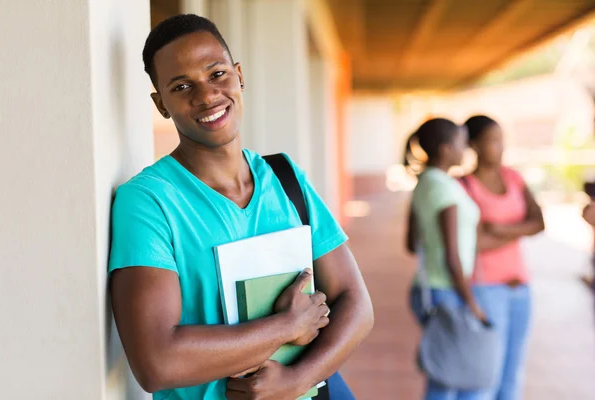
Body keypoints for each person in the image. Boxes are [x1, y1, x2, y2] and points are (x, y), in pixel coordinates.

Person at [108, 14, 374, 400]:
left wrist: (297, 380)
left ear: (239, 75)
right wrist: (285, 327)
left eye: (216, 74)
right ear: (161, 105)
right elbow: (156, 363)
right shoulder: (149, 201)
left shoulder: (284, 178)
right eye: (181, 86)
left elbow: (357, 303)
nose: (206, 95)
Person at [462, 115, 545, 400]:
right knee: (485, 377)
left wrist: (499, 229)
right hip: (485, 290)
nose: (500, 147)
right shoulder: (465, 187)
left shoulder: (513, 177)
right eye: (493, 141)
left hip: (520, 288)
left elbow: (540, 222)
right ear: (474, 144)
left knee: (512, 375)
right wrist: (520, 230)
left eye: (502, 140)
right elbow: (473, 244)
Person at [405, 118, 487, 400]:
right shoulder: (443, 187)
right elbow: (452, 257)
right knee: (448, 377)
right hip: (447, 291)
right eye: (461, 143)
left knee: (449, 371)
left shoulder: (425, 182)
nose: (466, 149)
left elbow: (411, 243)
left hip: (434, 288)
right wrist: (472, 303)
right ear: (444, 149)